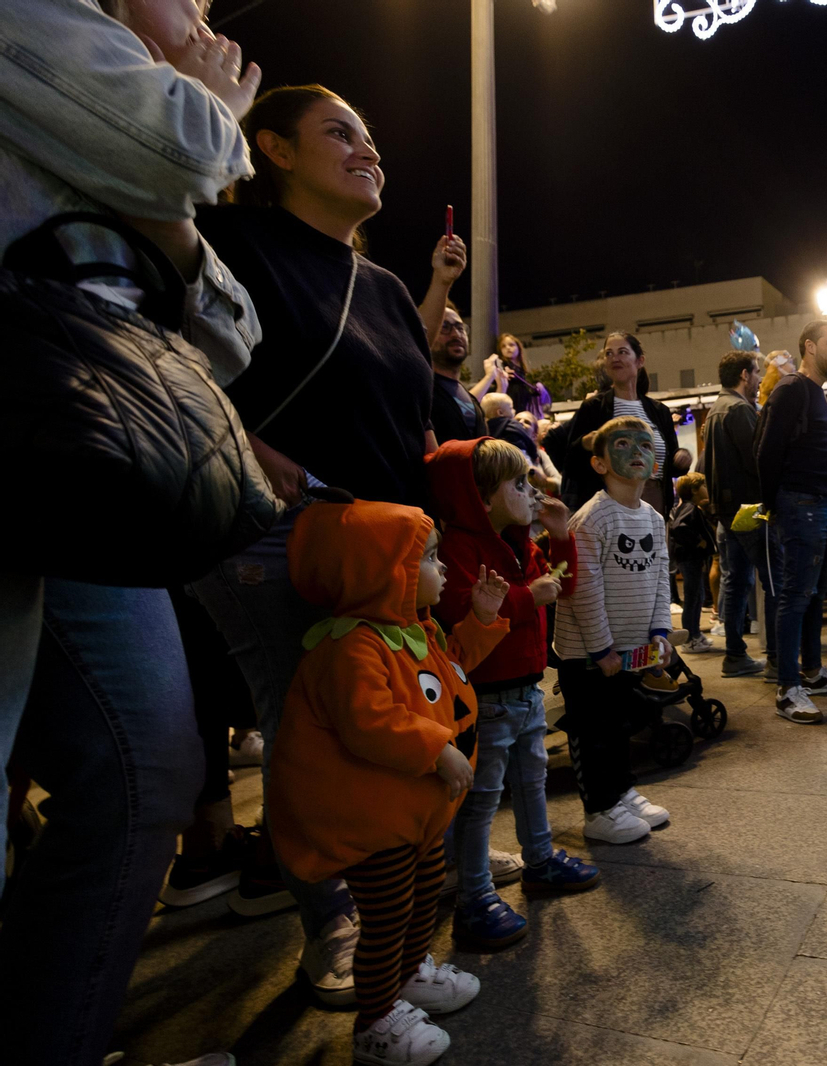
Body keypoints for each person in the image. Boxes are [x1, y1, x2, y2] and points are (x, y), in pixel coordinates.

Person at [0, 3, 262, 1061]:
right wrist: (214, 107)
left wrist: (167, 209)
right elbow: (186, 144)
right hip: (27, 435)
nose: (205, 26)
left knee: (149, 761)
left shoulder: (113, 93)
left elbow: (231, 330)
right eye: (187, 4)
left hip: (91, 480)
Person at [191, 84, 447, 1000]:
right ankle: (331, 922)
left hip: (383, 551)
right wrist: (250, 443)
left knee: (395, 716)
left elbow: (408, 422)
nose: (367, 150)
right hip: (277, 531)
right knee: (304, 725)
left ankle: (399, 914)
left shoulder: (382, 287)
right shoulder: (235, 244)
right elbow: (171, 354)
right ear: (278, 151)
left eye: (372, 139)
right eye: (340, 133)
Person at [267, 501, 506, 1065]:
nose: (442, 567)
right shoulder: (350, 646)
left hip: (414, 818)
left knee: (423, 897)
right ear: (380, 574)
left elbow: (450, 670)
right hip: (376, 825)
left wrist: (483, 619)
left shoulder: (414, 630)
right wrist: (437, 750)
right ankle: (375, 1023)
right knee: (387, 916)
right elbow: (369, 721)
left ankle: (410, 973)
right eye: (426, 558)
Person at [425, 437, 598, 950]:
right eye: (519, 485)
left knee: (532, 779)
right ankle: (474, 898)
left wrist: (561, 535)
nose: (531, 493)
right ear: (480, 498)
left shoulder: (520, 543)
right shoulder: (460, 547)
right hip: (490, 695)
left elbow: (562, 586)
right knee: (482, 800)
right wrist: (525, 598)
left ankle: (539, 860)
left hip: (525, 689)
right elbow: (459, 612)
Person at [553, 418, 676, 843]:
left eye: (645, 444)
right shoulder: (591, 519)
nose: (637, 451)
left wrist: (661, 631)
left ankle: (622, 791)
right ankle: (599, 809)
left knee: (619, 724)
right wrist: (602, 648)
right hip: (588, 655)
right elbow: (582, 591)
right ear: (599, 463)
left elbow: (662, 577)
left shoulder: (654, 518)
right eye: (623, 444)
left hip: (630, 648)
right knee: (593, 730)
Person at [755, 322, 827, 723]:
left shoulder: (814, 393)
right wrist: (776, 503)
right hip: (801, 504)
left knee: (813, 593)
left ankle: (811, 671)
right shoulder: (791, 388)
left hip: (821, 503)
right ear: (809, 347)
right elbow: (766, 451)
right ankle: (787, 688)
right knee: (795, 594)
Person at [701, 350, 771, 678]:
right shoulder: (740, 409)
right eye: (756, 372)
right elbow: (758, 462)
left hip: (725, 510)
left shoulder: (716, 409)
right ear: (745, 375)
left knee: (735, 580)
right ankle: (775, 655)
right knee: (770, 576)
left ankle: (735, 653)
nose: (759, 379)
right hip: (748, 508)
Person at [559, 332, 678, 516]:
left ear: (640, 361)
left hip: (654, 502)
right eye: (609, 353)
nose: (615, 358)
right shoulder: (593, 408)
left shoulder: (659, 411)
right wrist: (584, 443)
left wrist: (683, 457)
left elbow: (673, 463)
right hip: (608, 507)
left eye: (622, 352)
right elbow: (569, 462)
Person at [670, 472, 719, 653]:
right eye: (704, 486)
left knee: (696, 596)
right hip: (689, 559)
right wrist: (698, 541)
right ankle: (689, 639)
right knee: (693, 598)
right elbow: (678, 528)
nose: (707, 489)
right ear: (694, 490)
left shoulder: (691, 507)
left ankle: (695, 634)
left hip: (692, 559)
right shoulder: (690, 508)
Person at [431, 303, 490, 445]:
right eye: (444, 327)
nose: (456, 334)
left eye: (460, 327)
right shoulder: (421, 391)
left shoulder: (469, 398)